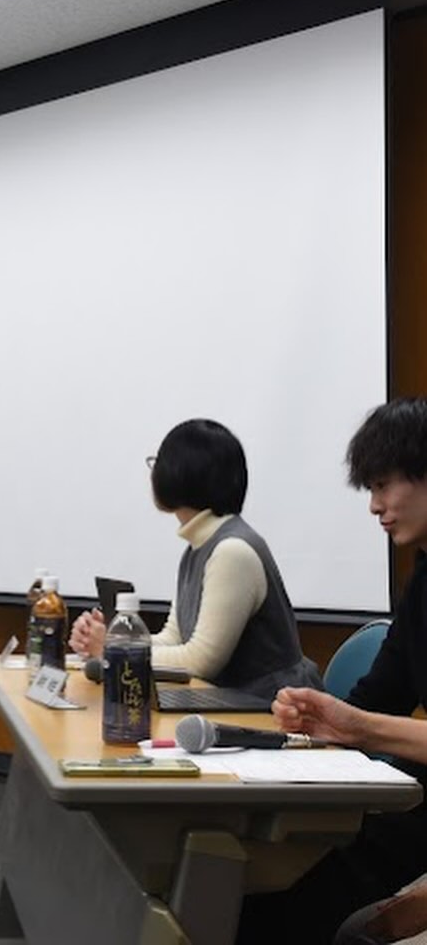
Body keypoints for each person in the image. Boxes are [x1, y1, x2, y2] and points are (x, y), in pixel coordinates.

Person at [236, 396, 427, 945]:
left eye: (384, 485)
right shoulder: (422, 582)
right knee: (264, 872)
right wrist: (317, 719)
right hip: (413, 792)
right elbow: (379, 695)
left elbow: (365, 720)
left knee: (284, 895)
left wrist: (355, 726)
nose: (374, 505)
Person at [70, 418, 321, 698]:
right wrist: (115, 639)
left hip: (274, 708)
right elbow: (175, 638)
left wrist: (115, 649)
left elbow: (201, 661)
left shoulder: (232, 551)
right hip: (240, 703)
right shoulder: (199, 547)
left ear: (180, 473)